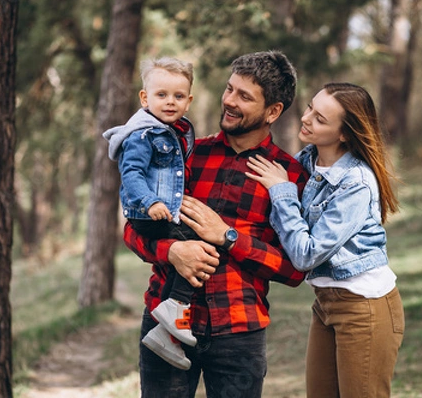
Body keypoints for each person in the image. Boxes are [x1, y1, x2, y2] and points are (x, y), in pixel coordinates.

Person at [123, 51, 309, 398]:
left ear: (273, 111)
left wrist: (227, 237)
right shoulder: (182, 155)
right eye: (229, 89)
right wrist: (173, 250)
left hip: (239, 332)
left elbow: (295, 269)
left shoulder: (290, 177)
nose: (230, 101)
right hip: (163, 320)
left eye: (244, 96)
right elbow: (133, 228)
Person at [246, 82, 405, 398]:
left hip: (364, 307)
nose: (306, 119)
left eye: (320, 118)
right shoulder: (305, 163)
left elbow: (306, 254)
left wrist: (281, 191)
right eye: (310, 108)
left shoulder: (356, 183)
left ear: (344, 133)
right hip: (325, 303)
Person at [103, 57, 202, 370]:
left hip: (160, 213)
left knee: (191, 254)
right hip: (150, 214)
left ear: (188, 100)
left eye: (177, 96)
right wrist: (150, 202)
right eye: (161, 95)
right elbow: (130, 172)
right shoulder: (143, 134)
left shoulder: (177, 130)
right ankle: (174, 309)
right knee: (198, 245)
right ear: (145, 98)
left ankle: (168, 331)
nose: (169, 102)